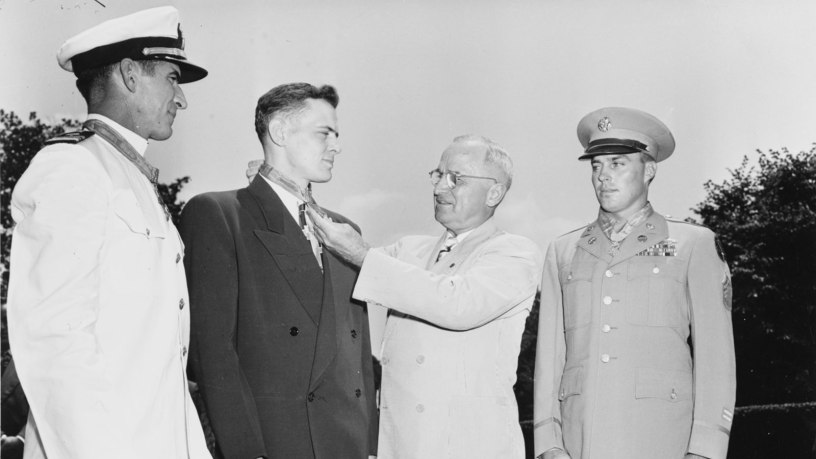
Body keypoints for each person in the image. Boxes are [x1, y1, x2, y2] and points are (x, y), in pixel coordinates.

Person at [6, 6, 211, 458]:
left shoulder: (133, 178)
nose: (182, 98)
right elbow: (55, 341)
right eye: (172, 78)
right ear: (131, 74)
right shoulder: (72, 168)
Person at [308, 135, 542, 458]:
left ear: (494, 192)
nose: (439, 188)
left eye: (455, 179)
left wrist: (364, 256)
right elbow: (341, 258)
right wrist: (291, 200)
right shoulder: (408, 250)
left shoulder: (514, 254)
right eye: (438, 175)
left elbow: (456, 303)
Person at [179, 83, 378, 459]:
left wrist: (369, 447)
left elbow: (357, 358)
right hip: (277, 444)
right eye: (325, 133)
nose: (336, 146)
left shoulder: (345, 231)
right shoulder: (220, 215)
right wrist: (246, 451)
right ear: (280, 132)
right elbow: (213, 355)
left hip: (346, 445)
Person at [533, 107, 736, 459]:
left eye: (617, 163)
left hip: (661, 440)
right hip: (579, 442)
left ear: (649, 170)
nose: (603, 177)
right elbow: (550, 357)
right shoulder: (563, 251)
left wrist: (706, 448)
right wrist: (548, 442)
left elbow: (716, 357)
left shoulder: (692, 244)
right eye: (596, 166)